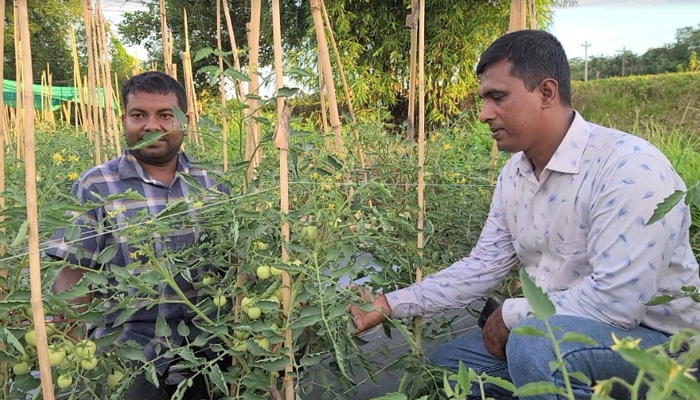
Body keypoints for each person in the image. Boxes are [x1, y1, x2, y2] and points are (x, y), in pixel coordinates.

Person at [349, 30, 700, 399]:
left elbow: (616, 304)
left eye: (497, 97)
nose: (484, 114)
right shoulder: (515, 174)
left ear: (546, 93)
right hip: (560, 331)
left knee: (535, 348)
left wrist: (513, 315)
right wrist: (390, 303)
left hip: (664, 346)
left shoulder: (628, 168)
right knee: (450, 367)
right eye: (483, 99)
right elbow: (482, 265)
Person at [46, 71, 230, 399]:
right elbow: (74, 268)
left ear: (184, 121)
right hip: (129, 349)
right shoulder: (96, 185)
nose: (151, 125)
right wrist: (74, 327)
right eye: (138, 115)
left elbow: (235, 261)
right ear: (124, 120)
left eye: (164, 115)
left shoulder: (212, 182)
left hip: (211, 344)